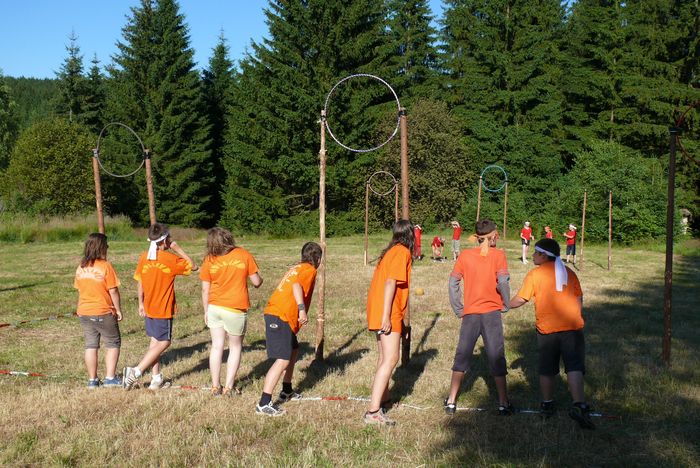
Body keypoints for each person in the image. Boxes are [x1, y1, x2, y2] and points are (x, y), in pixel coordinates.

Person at [509, 238, 594, 429]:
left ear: (543, 255)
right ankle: (579, 405)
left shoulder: (535, 274)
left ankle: (547, 404)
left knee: (547, 369)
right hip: (572, 327)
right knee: (574, 367)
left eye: (535, 252)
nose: (532, 255)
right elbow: (579, 297)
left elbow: (521, 299)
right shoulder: (569, 273)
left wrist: (503, 305)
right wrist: (575, 315)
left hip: (547, 330)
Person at [444, 219, 514, 416]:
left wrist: (459, 308)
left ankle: (451, 401)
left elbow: (453, 283)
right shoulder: (499, 255)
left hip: (470, 315)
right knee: (496, 356)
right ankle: (503, 403)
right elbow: (503, 282)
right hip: (491, 314)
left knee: (462, 355)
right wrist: (506, 303)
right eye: (497, 235)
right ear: (492, 237)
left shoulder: (465, 255)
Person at [123, 223, 196, 390]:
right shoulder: (170, 259)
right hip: (163, 308)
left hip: (149, 306)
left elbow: (140, 281)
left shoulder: (144, 257)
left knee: (155, 342)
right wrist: (177, 248)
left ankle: (156, 379)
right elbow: (193, 266)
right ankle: (136, 371)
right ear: (164, 241)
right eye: (169, 238)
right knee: (164, 342)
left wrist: (141, 303)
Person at [256, 242, 323, 416]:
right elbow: (296, 286)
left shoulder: (297, 267)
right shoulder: (309, 270)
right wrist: (302, 309)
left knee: (293, 350)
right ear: (318, 259)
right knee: (283, 360)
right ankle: (264, 403)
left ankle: (286, 390)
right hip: (280, 315)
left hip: (279, 314)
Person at [200, 228, 263, 396]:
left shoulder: (209, 259)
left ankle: (215, 386)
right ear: (228, 238)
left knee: (216, 346)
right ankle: (228, 387)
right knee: (235, 347)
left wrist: (206, 310)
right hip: (235, 308)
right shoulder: (243, 254)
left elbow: (205, 289)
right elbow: (257, 282)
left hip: (214, 307)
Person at [364, 219, 414, 425]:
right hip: (387, 311)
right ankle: (373, 412)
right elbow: (390, 282)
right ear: (410, 235)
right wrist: (387, 316)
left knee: (384, 357)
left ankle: (383, 399)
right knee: (391, 358)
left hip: (379, 309)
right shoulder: (402, 252)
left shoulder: (391, 251)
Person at [74, 233, 123, 389]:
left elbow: (80, 290)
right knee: (113, 343)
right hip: (103, 311)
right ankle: (110, 378)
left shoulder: (81, 267)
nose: (108, 248)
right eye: (106, 245)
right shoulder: (106, 266)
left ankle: (92, 380)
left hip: (84, 311)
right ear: (101, 248)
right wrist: (118, 309)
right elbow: (113, 290)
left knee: (91, 345)